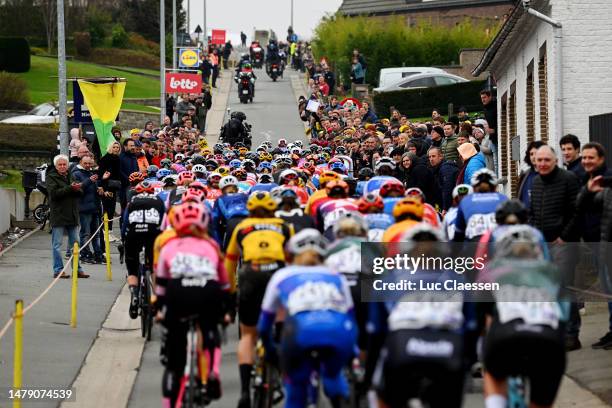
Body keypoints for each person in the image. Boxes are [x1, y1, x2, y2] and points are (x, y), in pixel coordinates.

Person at [258, 228, 357, 408]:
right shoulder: (336, 276)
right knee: (334, 376)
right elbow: (351, 317)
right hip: (336, 330)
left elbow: (264, 324)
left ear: (291, 254)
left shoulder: (282, 276)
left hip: (299, 333)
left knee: (296, 389)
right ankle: (339, 395)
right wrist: (353, 352)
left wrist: (271, 350)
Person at [156, 201, 230, 407]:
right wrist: (225, 310)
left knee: (175, 353)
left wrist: (161, 309)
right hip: (208, 291)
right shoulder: (211, 245)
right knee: (210, 332)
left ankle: (172, 396)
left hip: (178, 292)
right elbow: (224, 283)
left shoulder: (169, 245)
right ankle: (212, 372)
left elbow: (161, 284)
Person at [224, 191, 292, 408]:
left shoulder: (241, 228)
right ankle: (279, 364)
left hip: (250, 274)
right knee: (282, 322)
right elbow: (292, 260)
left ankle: (245, 391)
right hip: (276, 273)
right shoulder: (283, 226)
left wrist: (231, 293)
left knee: (248, 336)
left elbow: (230, 263)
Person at [528, 145, 581, 350]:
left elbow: (577, 211)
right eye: (539, 160)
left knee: (564, 288)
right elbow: (532, 213)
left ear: (555, 161)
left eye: (546, 160)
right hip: (543, 246)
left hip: (563, 245)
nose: (542, 164)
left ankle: (571, 334)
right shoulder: (537, 181)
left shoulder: (568, 179)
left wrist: (564, 237)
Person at [574, 142, 612, 349]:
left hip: (606, 245)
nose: (587, 161)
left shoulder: (607, 181)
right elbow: (578, 207)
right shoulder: (585, 180)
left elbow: (605, 214)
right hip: (595, 246)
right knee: (607, 291)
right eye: (585, 158)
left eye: (591, 158)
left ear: (601, 159)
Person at [122, 180, 166, 319]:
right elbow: (164, 221)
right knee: (154, 267)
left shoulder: (133, 201)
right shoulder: (159, 200)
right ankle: (157, 297)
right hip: (153, 234)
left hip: (134, 234)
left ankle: (134, 293)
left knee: (132, 268)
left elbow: (125, 223)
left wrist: (124, 239)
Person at [47, 154, 87, 279]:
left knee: (76, 244)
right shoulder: (51, 177)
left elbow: (80, 192)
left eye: (65, 164)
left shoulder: (71, 175)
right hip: (58, 215)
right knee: (57, 245)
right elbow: (54, 194)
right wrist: (70, 188)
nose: (63, 166)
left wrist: (76, 188)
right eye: (60, 164)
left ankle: (77, 269)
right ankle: (58, 270)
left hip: (72, 214)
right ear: (56, 166)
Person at [71, 155, 103, 264]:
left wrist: (99, 189)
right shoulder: (76, 174)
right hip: (84, 208)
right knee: (85, 233)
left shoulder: (91, 173)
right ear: (81, 162)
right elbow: (78, 188)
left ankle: (98, 254)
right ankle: (84, 254)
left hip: (94, 207)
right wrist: (89, 180)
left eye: (90, 163)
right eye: (86, 163)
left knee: (96, 234)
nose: (88, 165)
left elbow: (93, 188)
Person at [97, 141, 122, 242]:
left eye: (118, 147)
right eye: (114, 147)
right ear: (110, 148)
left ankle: (110, 232)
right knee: (107, 210)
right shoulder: (106, 159)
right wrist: (105, 188)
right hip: (107, 187)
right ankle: (105, 232)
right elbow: (101, 174)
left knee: (111, 211)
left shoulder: (117, 159)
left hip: (113, 187)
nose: (116, 149)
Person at [517, 140, 546, 209]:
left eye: (536, 153)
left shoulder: (548, 175)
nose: (533, 157)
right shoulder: (525, 175)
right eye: (531, 154)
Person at [480, 89, 498, 173]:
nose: (483, 99)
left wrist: (494, 130)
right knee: (494, 161)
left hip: (497, 137)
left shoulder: (496, 106)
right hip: (492, 138)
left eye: (485, 97)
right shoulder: (485, 109)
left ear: (490, 96)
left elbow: (503, 121)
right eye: (481, 98)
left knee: (497, 162)